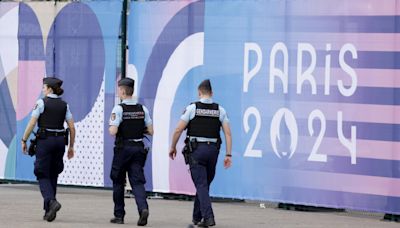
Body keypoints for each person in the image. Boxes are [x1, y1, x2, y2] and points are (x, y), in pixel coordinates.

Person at [169, 79, 232, 227]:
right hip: (213, 151)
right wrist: (228, 155)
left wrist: (173, 147)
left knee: (201, 184)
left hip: (197, 151)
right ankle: (197, 219)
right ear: (212, 93)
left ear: (199, 93)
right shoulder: (220, 110)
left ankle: (208, 217)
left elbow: (178, 129)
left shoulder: (192, 108)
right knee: (203, 184)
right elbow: (228, 133)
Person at [21, 76, 75, 222]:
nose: (42, 89)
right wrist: (71, 146)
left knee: (41, 173)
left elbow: (32, 123)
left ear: (49, 88)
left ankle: (51, 201)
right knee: (53, 173)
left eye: (44, 87)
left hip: (45, 141)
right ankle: (48, 211)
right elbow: (71, 127)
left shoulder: (41, 102)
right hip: (59, 141)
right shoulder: (65, 105)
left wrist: (24, 139)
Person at [108, 78, 153, 226]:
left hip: (123, 149)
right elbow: (151, 131)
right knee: (137, 182)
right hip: (138, 148)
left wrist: (113, 127)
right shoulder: (142, 109)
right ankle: (143, 209)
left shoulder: (118, 109)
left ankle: (119, 215)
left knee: (118, 181)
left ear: (122, 91)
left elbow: (113, 130)